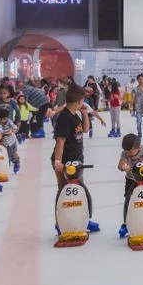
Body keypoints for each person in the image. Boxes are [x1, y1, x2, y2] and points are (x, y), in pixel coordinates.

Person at [52, 85, 100, 233]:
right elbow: (60, 141)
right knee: (63, 190)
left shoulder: (74, 115)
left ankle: (83, 218)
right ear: (80, 101)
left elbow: (85, 130)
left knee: (79, 190)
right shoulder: (65, 118)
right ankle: (60, 222)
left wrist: (84, 113)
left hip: (77, 161)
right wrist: (58, 162)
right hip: (65, 161)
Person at [0, 107, 21, 175]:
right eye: (0, 119)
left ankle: (17, 162)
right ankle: (5, 165)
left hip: (11, 141)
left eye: (4, 118)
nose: (2, 120)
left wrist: (12, 131)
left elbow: (15, 127)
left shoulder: (9, 122)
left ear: (7, 117)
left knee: (13, 154)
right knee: (3, 155)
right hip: (1, 141)